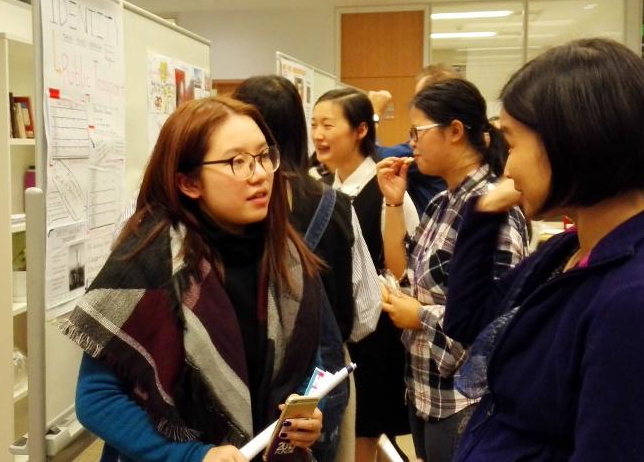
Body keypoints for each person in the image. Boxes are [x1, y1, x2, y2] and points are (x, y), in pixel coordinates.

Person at [442, 38, 644, 461]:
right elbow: (469, 321)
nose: (507, 168)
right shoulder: (570, 250)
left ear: (573, 141)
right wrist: (484, 213)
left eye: (513, 144)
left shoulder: (640, 301)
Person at [64, 97, 324, 462]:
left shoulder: (287, 256)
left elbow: (301, 369)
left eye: (264, 156)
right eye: (237, 162)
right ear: (188, 183)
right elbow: (97, 399)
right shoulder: (150, 263)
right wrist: (191, 455)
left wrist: (307, 418)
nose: (260, 173)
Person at [232, 75, 384, 462]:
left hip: (240, 377)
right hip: (319, 386)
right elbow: (366, 313)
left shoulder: (225, 205)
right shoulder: (333, 204)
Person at [377, 78, 529, 462]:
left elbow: (500, 322)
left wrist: (420, 316)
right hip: (425, 389)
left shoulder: (494, 208)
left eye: (418, 132)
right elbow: (403, 271)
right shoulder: (441, 202)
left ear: (456, 131)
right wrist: (393, 203)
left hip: (467, 401)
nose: (411, 143)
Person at [311, 87, 419, 462]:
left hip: (374, 336)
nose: (318, 134)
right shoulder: (326, 188)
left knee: (364, 435)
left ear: (360, 130)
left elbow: (404, 267)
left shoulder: (386, 186)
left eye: (328, 125)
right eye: (314, 124)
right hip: (335, 330)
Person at [370, 65, 456, 213]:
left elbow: (372, 154)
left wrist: (374, 113)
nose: (412, 143)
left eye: (419, 98)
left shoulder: (429, 147)